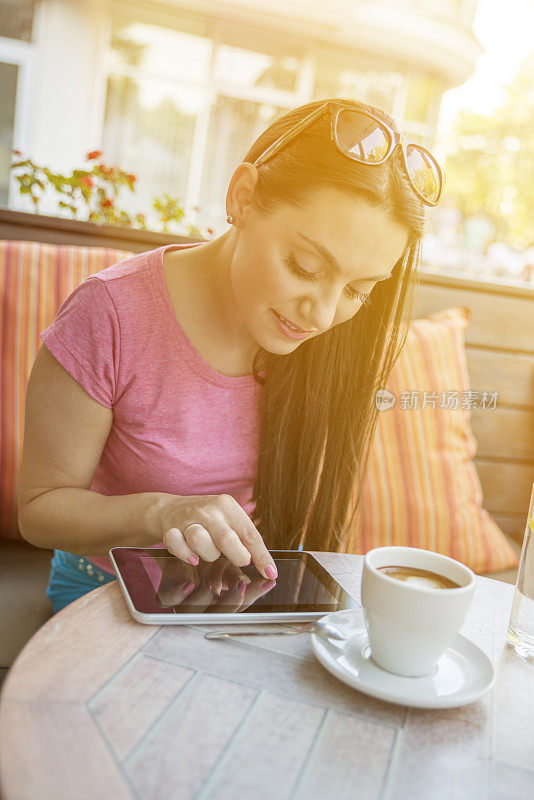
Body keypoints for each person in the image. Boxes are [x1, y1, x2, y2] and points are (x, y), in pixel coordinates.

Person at [16, 97, 441, 614]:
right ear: (242, 196)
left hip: (232, 597)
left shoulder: (329, 344)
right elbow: (39, 511)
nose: (324, 315)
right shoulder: (110, 313)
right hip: (104, 593)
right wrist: (161, 513)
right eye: (304, 266)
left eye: (358, 290)